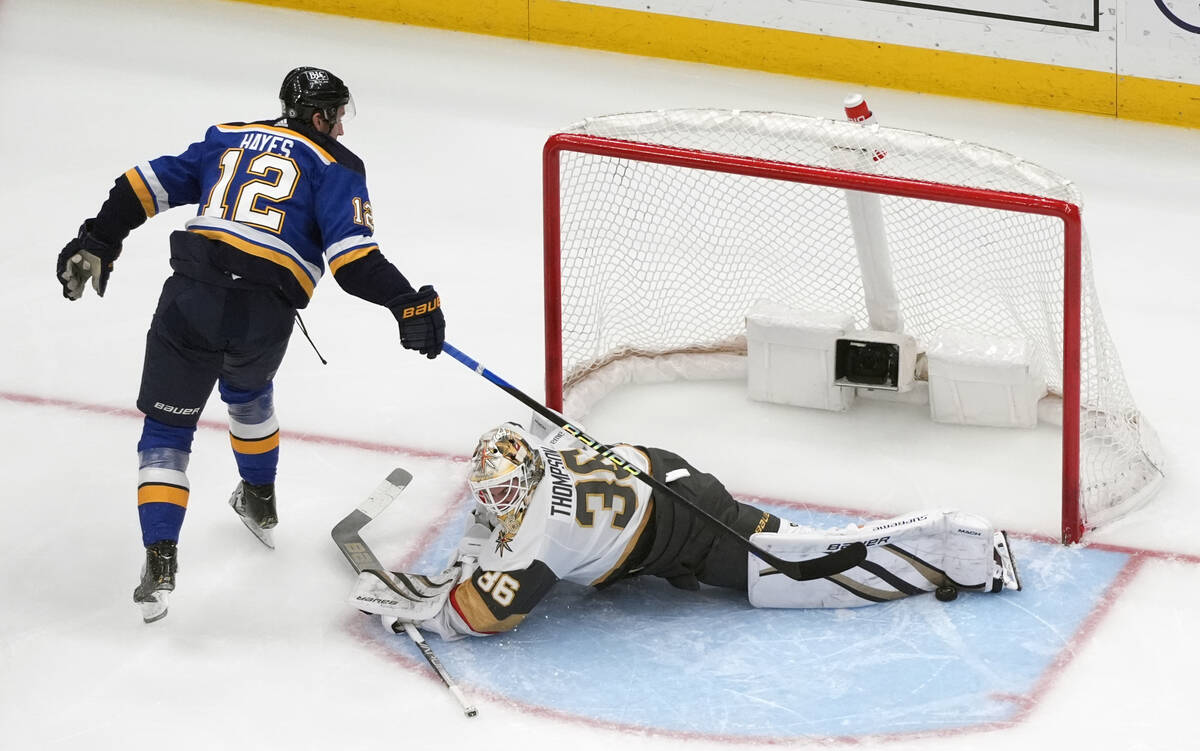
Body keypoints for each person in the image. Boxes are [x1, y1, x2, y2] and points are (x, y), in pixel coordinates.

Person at [56, 67, 446, 624]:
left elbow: (139, 186)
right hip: (264, 311)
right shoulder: (336, 165)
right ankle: (260, 499)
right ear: (319, 117)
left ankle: (161, 560)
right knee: (249, 392)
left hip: (191, 296)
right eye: (337, 115)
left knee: (168, 430)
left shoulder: (227, 136)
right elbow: (354, 261)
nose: (341, 126)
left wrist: (97, 238)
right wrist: (407, 303)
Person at [348, 422, 1021, 641]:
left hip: (679, 528)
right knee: (782, 544)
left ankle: (956, 552)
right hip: (663, 478)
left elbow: (487, 618)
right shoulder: (531, 459)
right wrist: (476, 548)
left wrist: (432, 611)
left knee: (794, 568)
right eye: (486, 492)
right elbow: (521, 445)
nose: (493, 501)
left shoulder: (542, 533)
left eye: (502, 492)